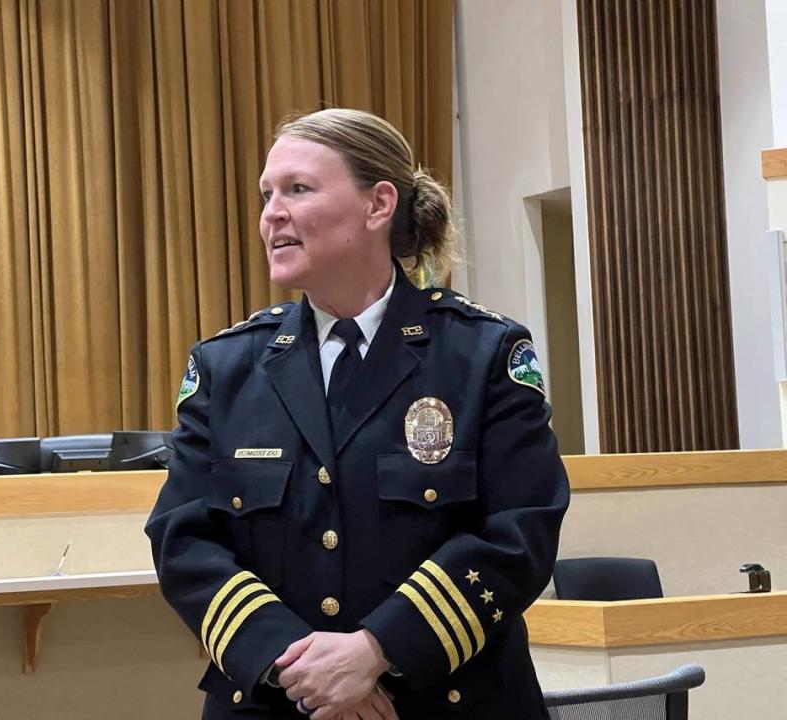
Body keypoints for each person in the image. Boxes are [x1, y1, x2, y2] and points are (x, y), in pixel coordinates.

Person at [146, 108, 569, 719]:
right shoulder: (227, 367)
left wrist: (377, 650)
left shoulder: (482, 354)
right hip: (276, 702)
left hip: (446, 700)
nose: (272, 214)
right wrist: (305, 668)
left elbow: (519, 531)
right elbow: (183, 538)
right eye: (267, 194)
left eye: (298, 189)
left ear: (378, 206)